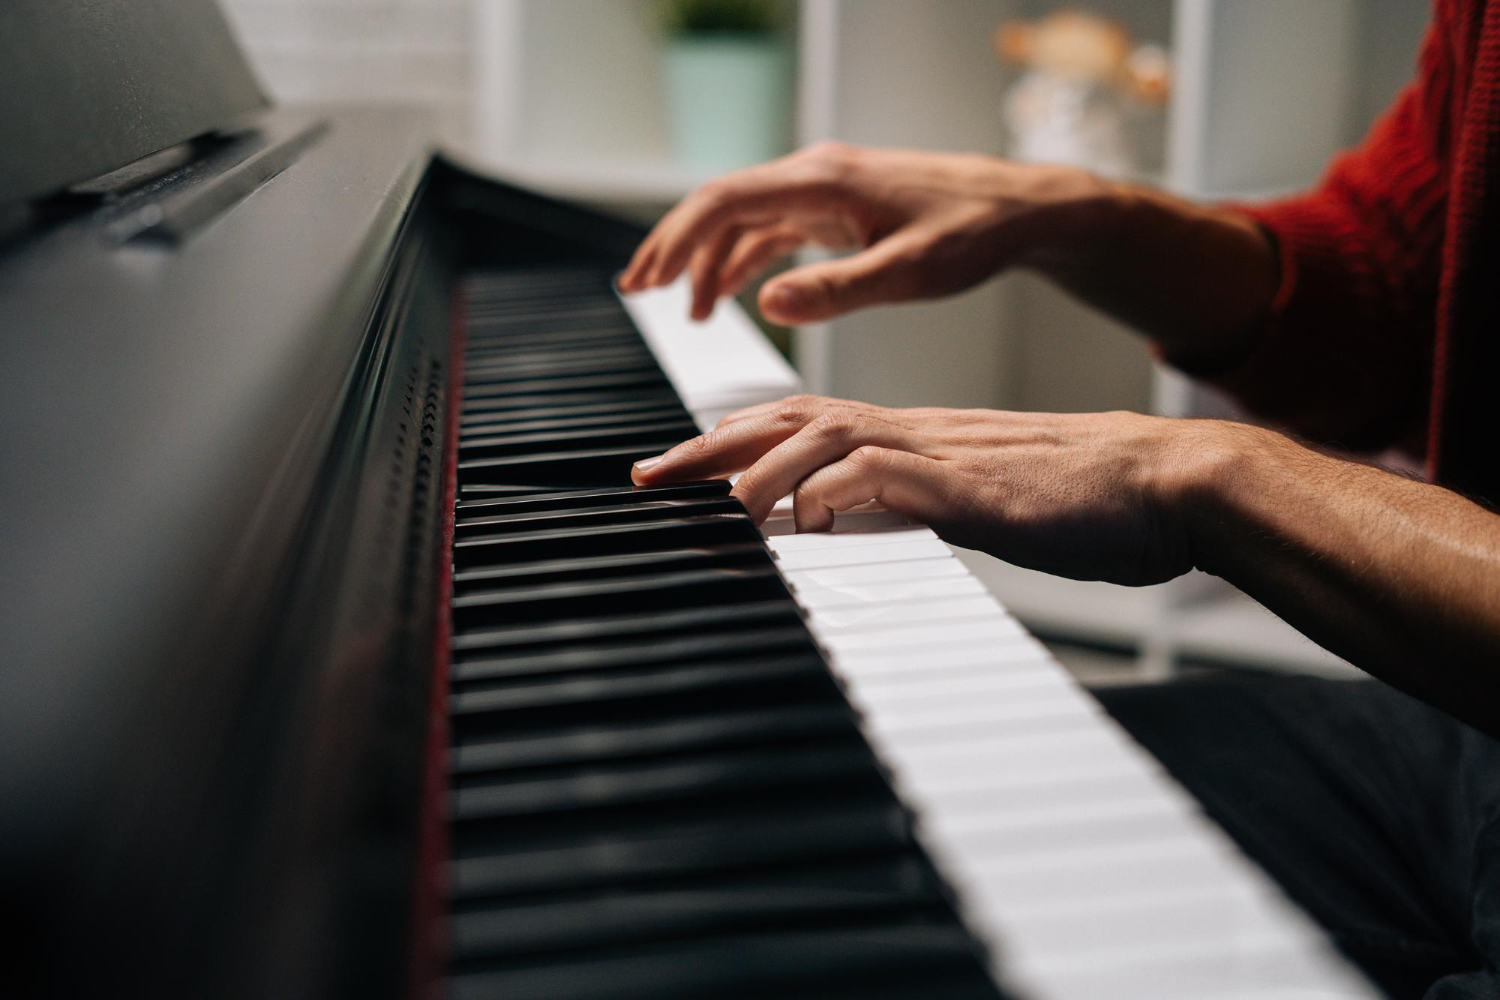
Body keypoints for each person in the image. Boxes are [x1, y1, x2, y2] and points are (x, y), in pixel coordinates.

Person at [616, 1, 1500, 996]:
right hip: (1465, 739)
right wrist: (1074, 216)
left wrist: (1205, 478)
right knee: (803, 821)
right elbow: (1387, 300)